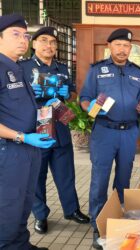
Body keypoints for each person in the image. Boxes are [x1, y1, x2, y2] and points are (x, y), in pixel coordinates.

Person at [79, 28, 140, 249]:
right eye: (118, 44)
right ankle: (98, 224)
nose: (122, 49)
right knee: (99, 178)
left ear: (130, 48)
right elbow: (85, 97)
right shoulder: (97, 71)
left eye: (126, 45)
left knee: (124, 178)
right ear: (110, 46)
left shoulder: (138, 73)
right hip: (104, 131)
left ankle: (119, 218)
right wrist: (88, 107)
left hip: (129, 132)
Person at [19, 26, 90, 235]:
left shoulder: (62, 68)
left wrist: (67, 93)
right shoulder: (22, 67)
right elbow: (14, 99)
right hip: (36, 130)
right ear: (34, 44)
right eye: (43, 40)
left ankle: (71, 210)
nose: (48, 45)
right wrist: (31, 93)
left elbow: (70, 97)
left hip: (60, 127)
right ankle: (40, 215)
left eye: (52, 42)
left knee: (66, 174)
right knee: (37, 177)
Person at [0, 14, 56, 250]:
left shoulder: (17, 69)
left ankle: (21, 244)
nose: (23, 39)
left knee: (24, 203)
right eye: (15, 34)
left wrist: (46, 109)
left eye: (25, 35)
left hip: (28, 149)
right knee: (8, 207)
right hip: (9, 151)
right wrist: (22, 136)